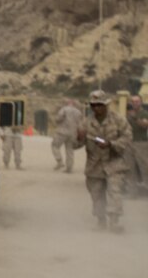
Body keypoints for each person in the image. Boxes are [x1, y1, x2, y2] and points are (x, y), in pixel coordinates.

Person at [78, 90, 133, 232]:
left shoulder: (118, 120)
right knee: (96, 194)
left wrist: (112, 144)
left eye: (99, 105)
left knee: (114, 191)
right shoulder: (86, 122)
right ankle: (100, 221)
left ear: (106, 105)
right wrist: (78, 137)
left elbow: (127, 138)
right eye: (93, 105)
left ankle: (114, 222)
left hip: (114, 163)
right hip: (94, 165)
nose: (96, 108)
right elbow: (75, 145)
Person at [51, 98, 82, 172]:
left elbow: (58, 119)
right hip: (73, 133)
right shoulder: (78, 112)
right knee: (69, 150)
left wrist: (56, 121)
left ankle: (59, 161)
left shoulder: (64, 109)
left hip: (62, 132)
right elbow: (81, 124)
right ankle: (69, 168)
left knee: (55, 146)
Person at [125, 95, 148, 194]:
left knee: (144, 167)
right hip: (129, 143)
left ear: (141, 102)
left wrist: (135, 118)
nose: (135, 103)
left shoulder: (144, 113)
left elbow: (144, 125)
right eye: (133, 102)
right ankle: (132, 190)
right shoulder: (128, 115)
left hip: (141, 143)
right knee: (130, 167)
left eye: (137, 101)